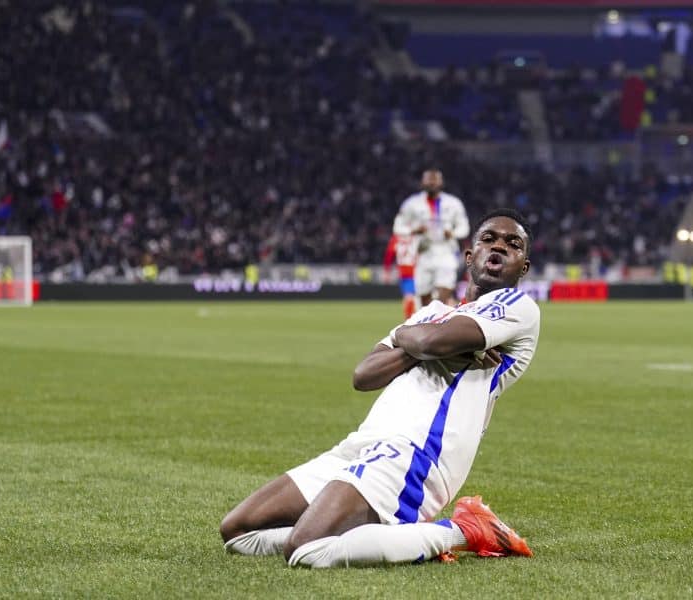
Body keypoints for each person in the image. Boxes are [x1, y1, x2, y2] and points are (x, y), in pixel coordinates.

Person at [220, 208, 540, 568]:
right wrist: (419, 341)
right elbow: (365, 375)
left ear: (523, 267)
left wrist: (419, 341)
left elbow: (433, 343)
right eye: (488, 239)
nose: (498, 247)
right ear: (470, 256)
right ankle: (401, 537)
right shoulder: (430, 312)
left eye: (512, 245)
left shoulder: (518, 308)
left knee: (305, 549)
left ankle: (465, 529)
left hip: (417, 453)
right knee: (237, 532)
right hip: (362, 445)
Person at [392, 169, 470, 308]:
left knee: (444, 290)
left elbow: (464, 227)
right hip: (423, 252)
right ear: (423, 182)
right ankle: (431, 321)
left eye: (435, 179)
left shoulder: (453, 203)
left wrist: (452, 233)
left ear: (441, 182)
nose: (432, 182)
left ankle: (437, 319)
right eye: (429, 179)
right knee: (424, 297)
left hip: (446, 251)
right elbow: (398, 227)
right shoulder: (412, 203)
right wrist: (413, 230)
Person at [383, 233, 418, 318]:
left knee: (410, 298)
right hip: (412, 272)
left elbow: (389, 254)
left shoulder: (397, 238)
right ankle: (410, 321)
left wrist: (387, 271)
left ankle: (410, 321)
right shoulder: (417, 236)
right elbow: (389, 254)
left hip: (408, 272)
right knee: (411, 298)